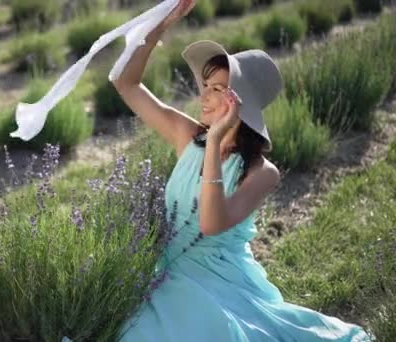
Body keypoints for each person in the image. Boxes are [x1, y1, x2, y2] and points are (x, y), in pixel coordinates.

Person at [111, 0, 373, 341]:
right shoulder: (187, 135)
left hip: (219, 279)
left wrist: (218, 138)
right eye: (205, 85)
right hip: (167, 269)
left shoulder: (262, 171)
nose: (204, 96)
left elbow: (210, 223)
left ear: (241, 101)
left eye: (217, 89)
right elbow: (124, 83)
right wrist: (162, 24)